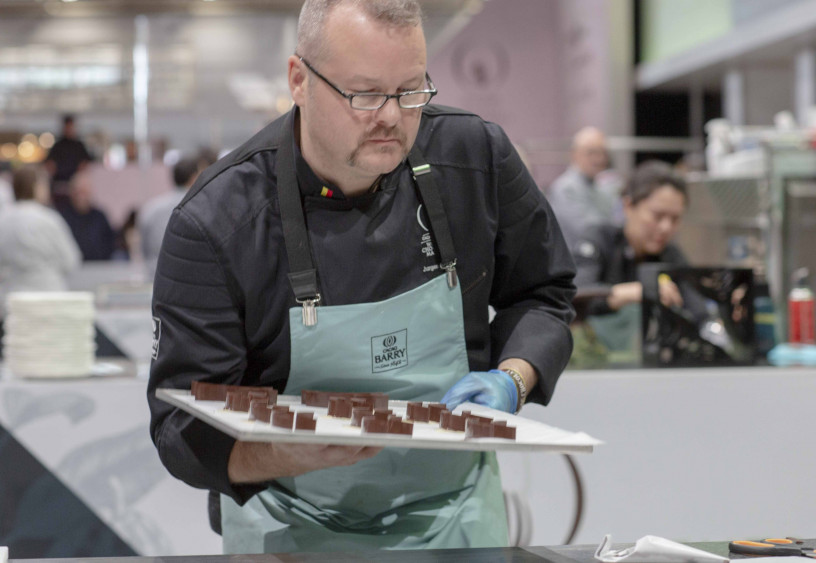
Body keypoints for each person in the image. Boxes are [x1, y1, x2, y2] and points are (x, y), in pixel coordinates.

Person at [146, 0, 575, 554]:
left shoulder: (473, 158)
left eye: (411, 90)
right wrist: (285, 452)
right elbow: (180, 429)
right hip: (289, 522)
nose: (392, 118)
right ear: (299, 80)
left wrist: (513, 378)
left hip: (455, 518)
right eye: (365, 94)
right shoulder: (218, 222)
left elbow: (544, 292)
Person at [573, 160, 706, 323]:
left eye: (675, 219)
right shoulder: (599, 239)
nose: (666, 227)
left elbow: (699, 310)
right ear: (628, 206)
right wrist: (631, 293)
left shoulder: (671, 256)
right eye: (658, 216)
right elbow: (576, 295)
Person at [0, 165, 82, 313]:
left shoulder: (3, 220)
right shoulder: (49, 219)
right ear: (36, 186)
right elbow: (71, 261)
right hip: (49, 299)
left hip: (11, 302)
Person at [547, 126, 619, 249]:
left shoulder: (602, 188)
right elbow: (591, 230)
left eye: (603, 153)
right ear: (575, 154)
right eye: (591, 152)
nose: (599, 159)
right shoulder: (565, 189)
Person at [137, 155, 206, 277]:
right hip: (189, 280)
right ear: (193, 178)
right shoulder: (201, 208)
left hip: (154, 279)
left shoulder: (151, 208)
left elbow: (144, 250)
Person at [57, 170, 116, 261]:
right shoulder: (62, 218)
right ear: (71, 192)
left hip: (99, 267)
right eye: (78, 191)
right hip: (73, 268)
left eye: (84, 191)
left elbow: (110, 243)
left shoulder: (100, 217)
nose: (81, 196)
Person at [44, 114, 93, 206]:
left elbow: (85, 163)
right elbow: (49, 164)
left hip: (75, 187)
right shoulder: (57, 146)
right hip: (59, 185)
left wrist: (78, 180)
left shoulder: (79, 146)